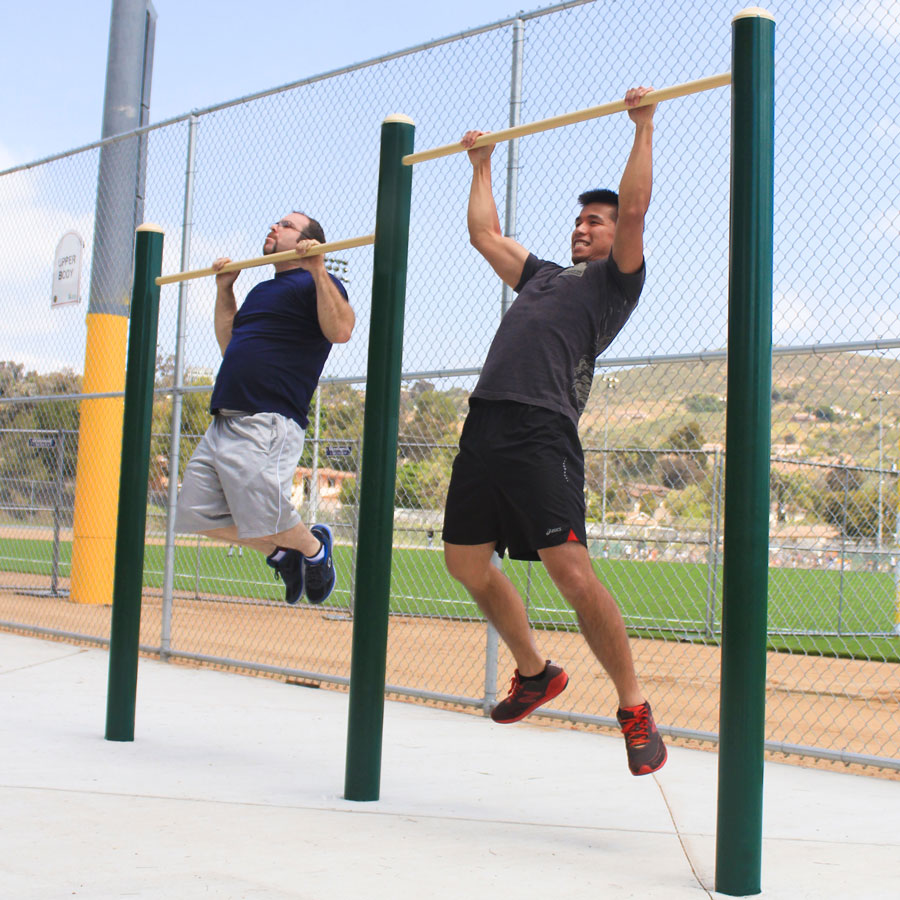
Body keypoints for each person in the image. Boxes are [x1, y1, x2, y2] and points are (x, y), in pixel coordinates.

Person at [442, 87, 666, 776]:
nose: (583, 228)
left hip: (542, 430)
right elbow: (483, 235)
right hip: (486, 422)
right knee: (464, 563)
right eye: (578, 221)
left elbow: (634, 211)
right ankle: (535, 672)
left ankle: (633, 707)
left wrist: (643, 127)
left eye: (593, 222)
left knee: (570, 573)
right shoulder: (541, 276)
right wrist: (481, 164)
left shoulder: (615, 283)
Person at [175, 211, 355, 605]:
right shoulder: (261, 290)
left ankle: (314, 550)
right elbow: (230, 345)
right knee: (195, 512)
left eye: (286, 225)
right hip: (225, 416)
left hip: (268, 418)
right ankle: (281, 554)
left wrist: (318, 268)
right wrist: (225, 289)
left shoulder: (317, 283)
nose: (274, 227)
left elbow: (341, 330)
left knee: (264, 510)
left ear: (308, 241)